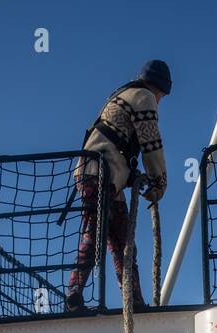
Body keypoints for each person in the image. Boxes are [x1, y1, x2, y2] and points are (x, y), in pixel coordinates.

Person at [64, 60, 171, 312]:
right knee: (95, 233)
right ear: (158, 89)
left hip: (104, 176)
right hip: (99, 176)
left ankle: (132, 299)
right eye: (162, 96)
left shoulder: (124, 94)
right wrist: (159, 182)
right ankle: (74, 294)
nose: (160, 101)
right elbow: (151, 144)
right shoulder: (143, 97)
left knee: (122, 242)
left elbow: (116, 144)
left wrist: (131, 177)